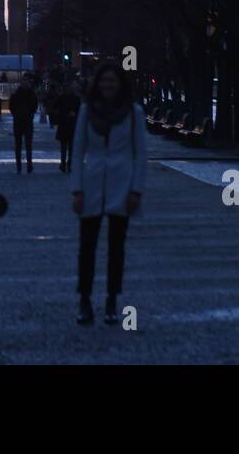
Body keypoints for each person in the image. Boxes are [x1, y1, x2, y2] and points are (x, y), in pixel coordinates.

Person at [70, 61, 146, 326]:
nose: (107, 85)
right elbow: (78, 151)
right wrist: (76, 189)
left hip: (122, 186)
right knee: (87, 248)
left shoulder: (134, 113)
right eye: (104, 81)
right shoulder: (86, 111)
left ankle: (112, 299)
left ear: (121, 84)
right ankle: (85, 299)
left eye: (112, 81)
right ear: (97, 84)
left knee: (117, 248)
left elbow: (141, 154)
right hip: (91, 186)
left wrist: (136, 189)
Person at [8, 75, 38, 173]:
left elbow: (11, 107)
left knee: (19, 145)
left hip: (19, 121)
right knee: (27, 145)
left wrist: (16, 114)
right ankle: (28, 165)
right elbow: (34, 106)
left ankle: (20, 166)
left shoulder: (15, 95)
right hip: (26, 121)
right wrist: (30, 113)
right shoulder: (32, 95)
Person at [52, 83, 80, 174]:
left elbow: (54, 108)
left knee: (66, 148)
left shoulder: (71, 99)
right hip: (68, 125)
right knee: (67, 148)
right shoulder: (73, 99)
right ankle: (66, 164)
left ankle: (66, 164)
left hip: (68, 125)